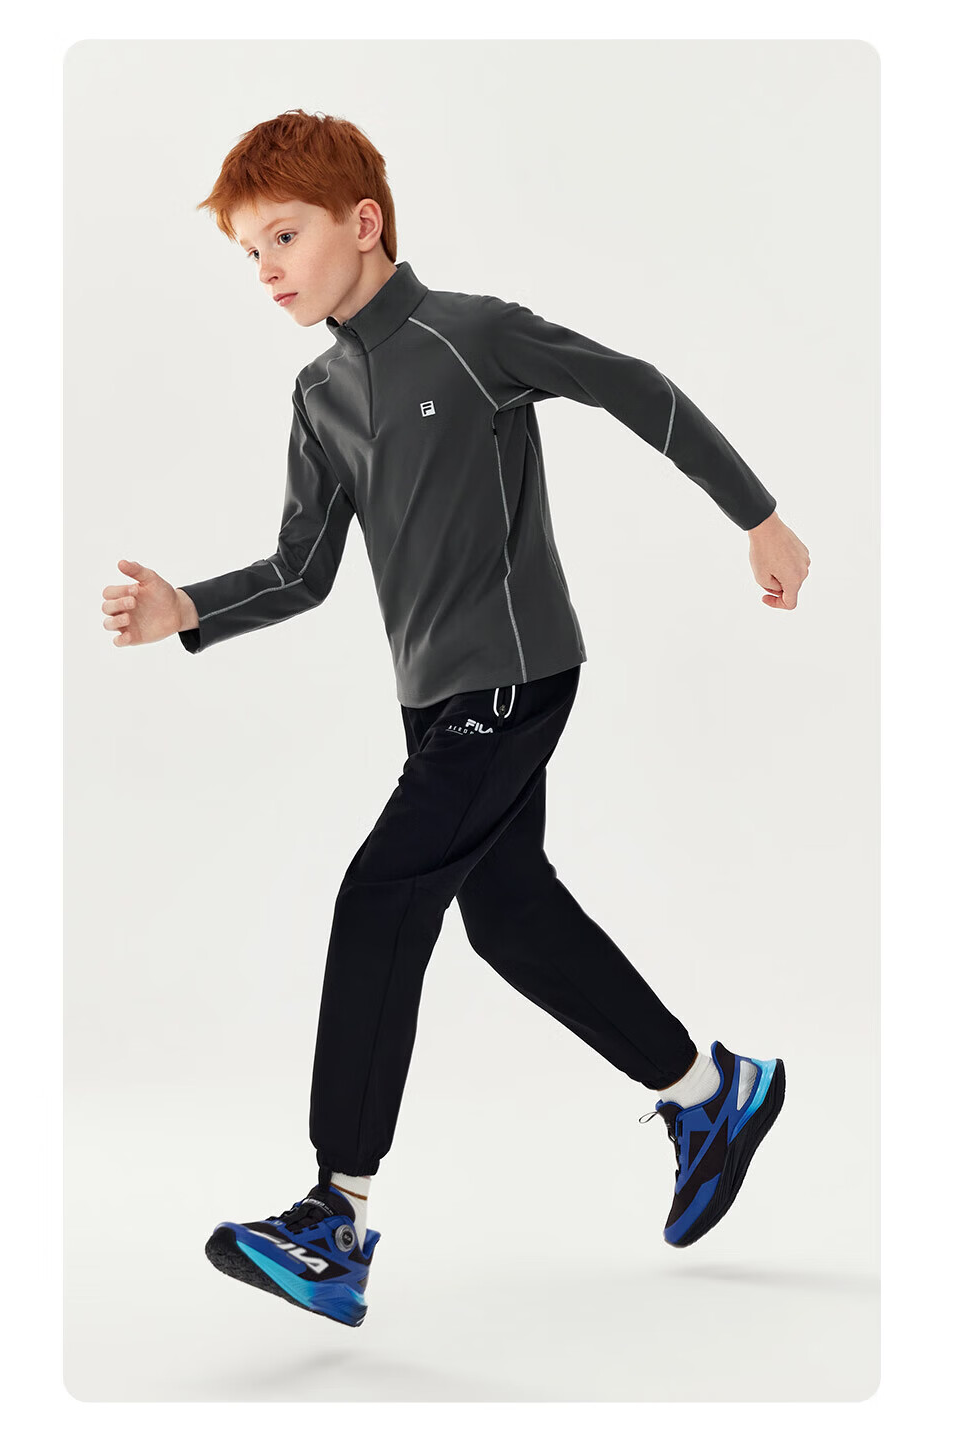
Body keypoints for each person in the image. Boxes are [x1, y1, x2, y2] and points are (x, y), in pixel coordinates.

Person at [102, 109, 809, 1330]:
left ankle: (334, 1214)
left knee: (382, 894)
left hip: (515, 679)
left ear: (364, 222)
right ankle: (712, 1094)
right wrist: (188, 610)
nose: (265, 268)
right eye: (249, 251)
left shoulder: (471, 334)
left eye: (285, 235)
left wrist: (759, 517)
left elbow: (633, 388)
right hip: (435, 702)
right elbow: (302, 570)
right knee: (509, 916)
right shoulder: (319, 394)